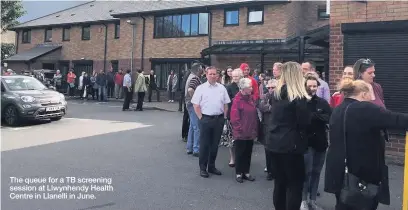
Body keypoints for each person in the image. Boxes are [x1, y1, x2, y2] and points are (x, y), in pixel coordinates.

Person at [324, 78, 408, 210]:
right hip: (360, 174)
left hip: (339, 172)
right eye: (371, 93)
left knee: (342, 204)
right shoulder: (365, 109)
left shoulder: (339, 109)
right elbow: (397, 120)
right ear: (363, 94)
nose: (372, 97)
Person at [265, 61, 311, 210]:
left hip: (274, 144)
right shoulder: (298, 98)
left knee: (279, 183)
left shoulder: (277, 95)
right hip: (291, 146)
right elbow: (304, 123)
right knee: (294, 185)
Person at [191, 66, 231, 178]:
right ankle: (203, 168)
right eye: (210, 74)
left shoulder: (222, 88)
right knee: (204, 145)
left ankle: (212, 166)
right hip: (206, 119)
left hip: (218, 119)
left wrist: (224, 117)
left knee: (215, 145)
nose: (213, 76)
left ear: (218, 76)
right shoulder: (201, 88)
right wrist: (201, 118)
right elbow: (196, 105)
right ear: (206, 75)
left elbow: (225, 104)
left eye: (215, 74)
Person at [301, 75, 331, 210]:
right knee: (306, 172)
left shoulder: (322, 102)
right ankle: (303, 200)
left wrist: (314, 116)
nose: (312, 88)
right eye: (310, 86)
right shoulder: (300, 101)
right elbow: (301, 120)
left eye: (315, 86)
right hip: (306, 143)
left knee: (316, 172)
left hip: (320, 143)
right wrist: (318, 117)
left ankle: (312, 200)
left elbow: (329, 117)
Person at [230, 78, 258, 183]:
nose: (251, 88)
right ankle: (238, 173)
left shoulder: (251, 99)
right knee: (240, 153)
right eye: (249, 86)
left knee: (248, 152)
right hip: (241, 133)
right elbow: (234, 118)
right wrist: (239, 130)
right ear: (243, 88)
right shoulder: (237, 100)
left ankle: (246, 172)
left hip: (250, 131)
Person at [222, 69, 243, 167]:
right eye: (233, 76)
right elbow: (226, 101)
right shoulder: (229, 87)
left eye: (236, 76)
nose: (234, 78)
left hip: (244, 116)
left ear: (241, 76)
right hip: (232, 115)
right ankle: (232, 158)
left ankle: (241, 157)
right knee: (231, 138)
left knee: (242, 139)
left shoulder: (244, 86)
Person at [258, 79, 277, 181]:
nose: (270, 89)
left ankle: (276, 170)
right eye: (268, 88)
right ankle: (269, 171)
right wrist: (272, 107)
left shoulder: (280, 97)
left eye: (273, 87)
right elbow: (262, 107)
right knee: (268, 151)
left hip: (278, 128)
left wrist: (270, 107)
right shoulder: (265, 96)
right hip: (267, 127)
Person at [185, 63, 203, 156]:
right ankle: (196, 149)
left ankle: (189, 147)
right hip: (192, 104)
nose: (202, 70)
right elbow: (190, 90)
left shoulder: (190, 76)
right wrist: (195, 100)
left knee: (192, 126)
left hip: (189, 104)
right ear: (198, 70)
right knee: (197, 127)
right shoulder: (195, 78)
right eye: (201, 69)